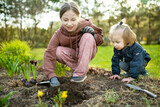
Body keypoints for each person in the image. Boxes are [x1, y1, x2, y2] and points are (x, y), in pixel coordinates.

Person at [43, 1, 104, 87]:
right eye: (65, 20)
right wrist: (52, 76)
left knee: (87, 36)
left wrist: (93, 34)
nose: (69, 24)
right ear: (61, 19)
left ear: (78, 17)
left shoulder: (85, 24)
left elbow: (101, 40)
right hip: (72, 55)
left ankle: (80, 73)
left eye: (73, 19)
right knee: (56, 50)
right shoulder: (58, 34)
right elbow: (49, 53)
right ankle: (81, 68)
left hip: (87, 51)